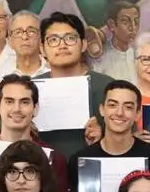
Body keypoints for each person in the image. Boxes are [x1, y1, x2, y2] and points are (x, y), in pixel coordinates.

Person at [35, 11, 112, 159]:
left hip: (93, 168)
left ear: (83, 45)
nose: (62, 45)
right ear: (42, 48)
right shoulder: (31, 89)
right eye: (53, 40)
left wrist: (104, 139)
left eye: (70, 38)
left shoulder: (107, 86)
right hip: (44, 171)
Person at [93, 1, 141, 82]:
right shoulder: (100, 57)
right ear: (112, 25)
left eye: (136, 22)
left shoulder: (140, 55)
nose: (132, 27)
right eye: (125, 22)